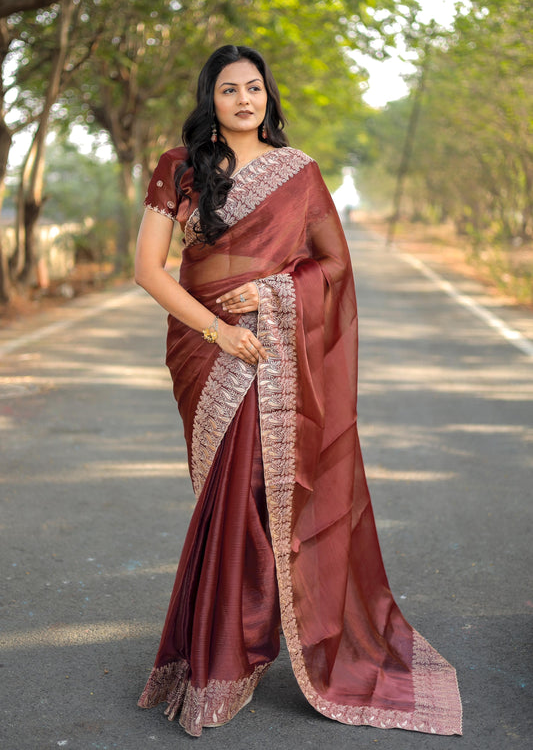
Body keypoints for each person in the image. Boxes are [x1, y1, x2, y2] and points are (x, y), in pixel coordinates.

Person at [134, 44, 462, 738]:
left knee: (254, 490)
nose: (244, 99)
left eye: (254, 87)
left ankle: (235, 651)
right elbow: (149, 271)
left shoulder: (299, 174)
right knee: (223, 493)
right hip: (204, 345)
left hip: (273, 347)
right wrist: (220, 331)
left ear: (268, 98)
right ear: (211, 100)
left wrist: (279, 292)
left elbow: (334, 267)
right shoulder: (180, 167)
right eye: (229, 89)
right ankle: (225, 647)